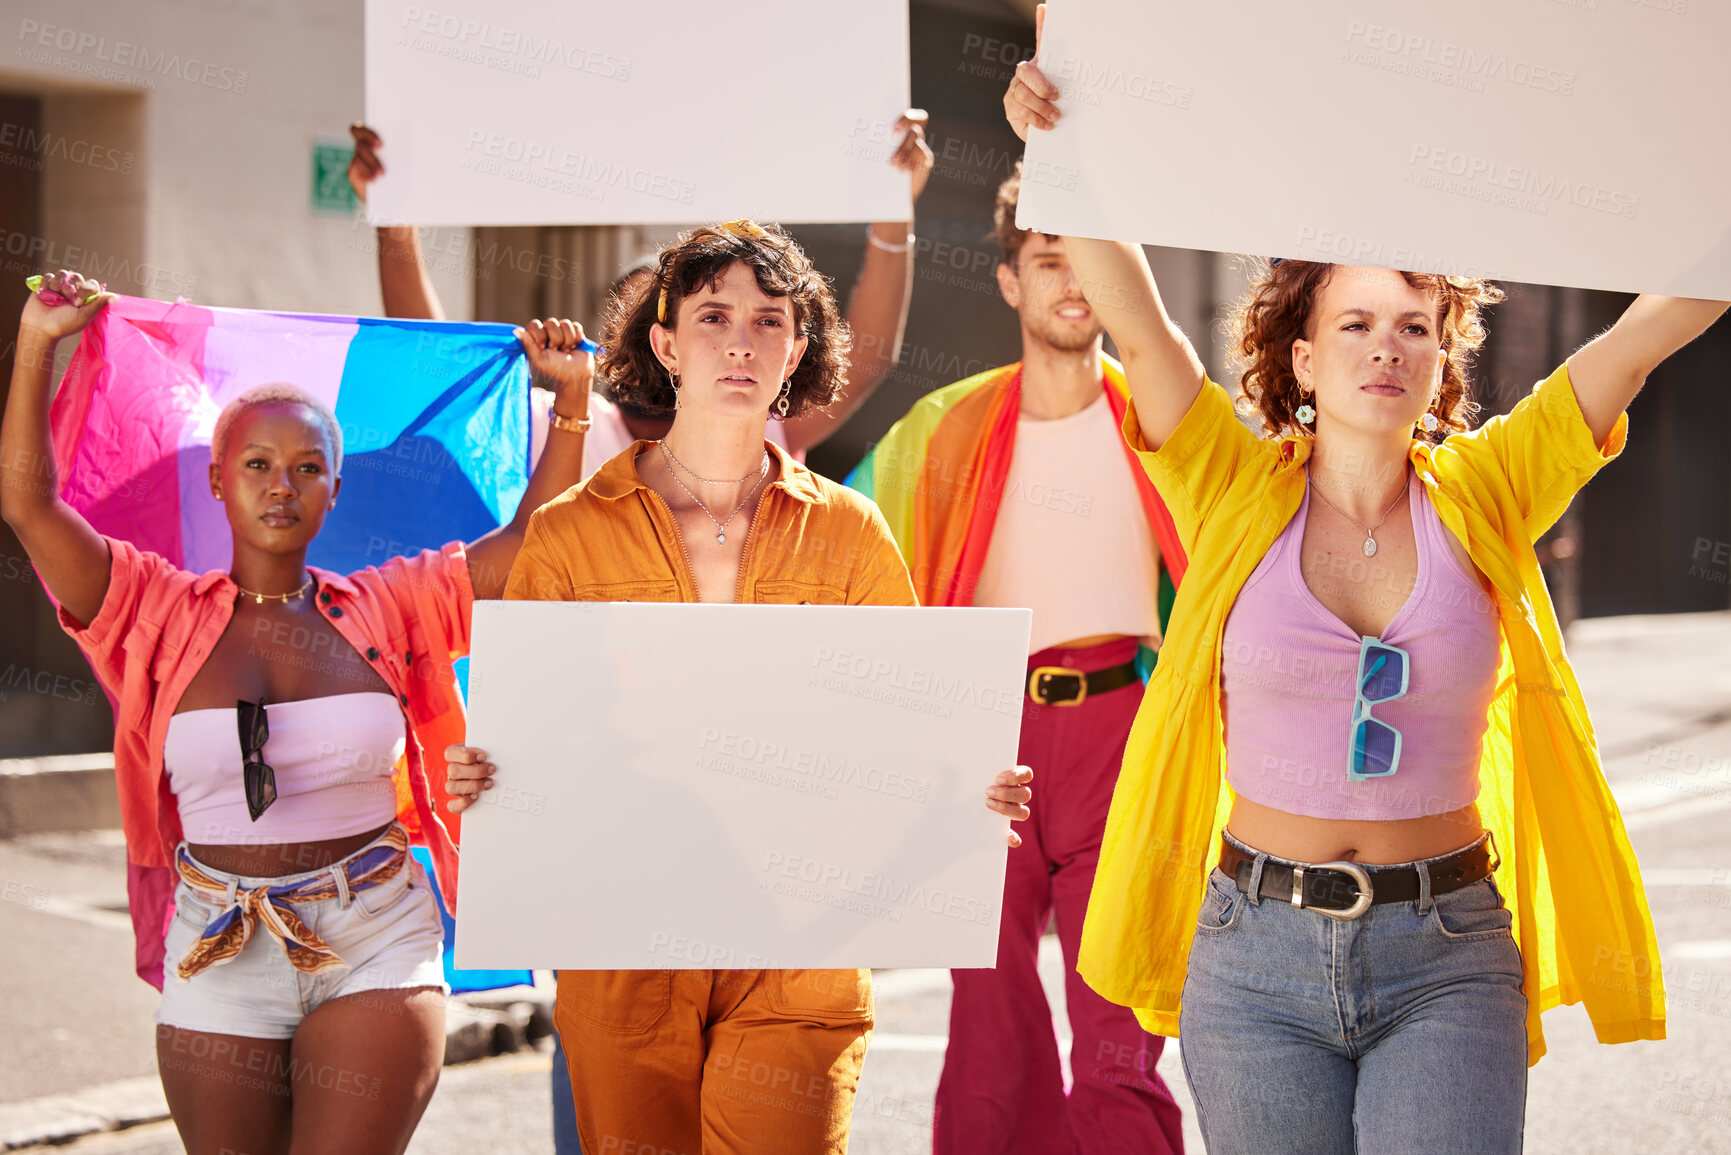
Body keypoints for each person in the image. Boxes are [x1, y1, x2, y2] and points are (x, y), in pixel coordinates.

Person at [1005, 17, 1728, 1154]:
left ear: (1445, 356)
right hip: (1252, 961)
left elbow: (1648, 333)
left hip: (1448, 956)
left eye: (1415, 326)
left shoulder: (1491, 487)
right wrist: (1065, 148)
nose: (1386, 347)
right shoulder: (1227, 481)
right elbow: (1135, 322)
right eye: (1355, 323)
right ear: (1300, 355)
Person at [443, 220, 1035, 1155]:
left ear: (796, 349)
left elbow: (912, 728)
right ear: (666, 343)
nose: (741, 341)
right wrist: (488, 777)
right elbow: (536, 738)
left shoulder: (851, 532)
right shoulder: (566, 532)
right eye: (713, 315)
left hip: (800, 944)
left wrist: (971, 787)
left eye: (769, 320)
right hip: (621, 943)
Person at [0, 269, 596, 1155]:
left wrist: (572, 399)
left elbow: (528, 548)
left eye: (308, 467)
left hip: (376, 932)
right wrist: (38, 342)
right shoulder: (151, 610)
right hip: (217, 943)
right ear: (216, 480)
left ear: (334, 490)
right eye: (258, 464)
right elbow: (28, 503)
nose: (283, 485)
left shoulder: (390, 603)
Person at [847, 164, 1186, 1154]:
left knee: (1118, 1031)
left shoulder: (1166, 425)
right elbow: (844, 563)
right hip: (981, 744)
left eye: (1088, 259)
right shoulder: (940, 430)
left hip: (1125, 733)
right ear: (1009, 281)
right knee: (990, 1033)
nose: (1072, 279)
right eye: (1047, 259)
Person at [348, 115, 936, 466]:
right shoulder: (564, 430)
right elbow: (440, 365)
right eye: (640, 319)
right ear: (645, 341)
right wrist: (395, 225)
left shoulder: (756, 420)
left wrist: (893, 218)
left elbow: (865, 360)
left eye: (709, 317)